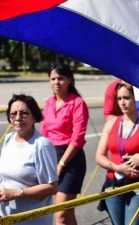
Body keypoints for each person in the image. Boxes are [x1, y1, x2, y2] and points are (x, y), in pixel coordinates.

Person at [95, 81, 139, 225]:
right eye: (119, 99)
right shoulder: (111, 123)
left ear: (136, 99)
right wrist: (116, 168)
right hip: (113, 184)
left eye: (126, 98)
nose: (122, 103)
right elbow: (99, 156)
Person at [0, 94, 58, 224]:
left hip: (32, 220)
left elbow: (52, 187)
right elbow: (2, 172)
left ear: (34, 117)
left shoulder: (41, 145)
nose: (18, 118)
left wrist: (19, 193)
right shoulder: (9, 138)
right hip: (6, 217)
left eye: (24, 113)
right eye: (13, 114)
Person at [40, 63, 89, 225]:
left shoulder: (77, 103)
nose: (56, 82)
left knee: (60, 214)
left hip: (71, 160)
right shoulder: (48, 103)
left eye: (60, 78)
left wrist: (61, 164)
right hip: (51, 157)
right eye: (52, 79)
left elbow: (78, 138)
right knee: (66, 215)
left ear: (69, 80)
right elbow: (43, 133)